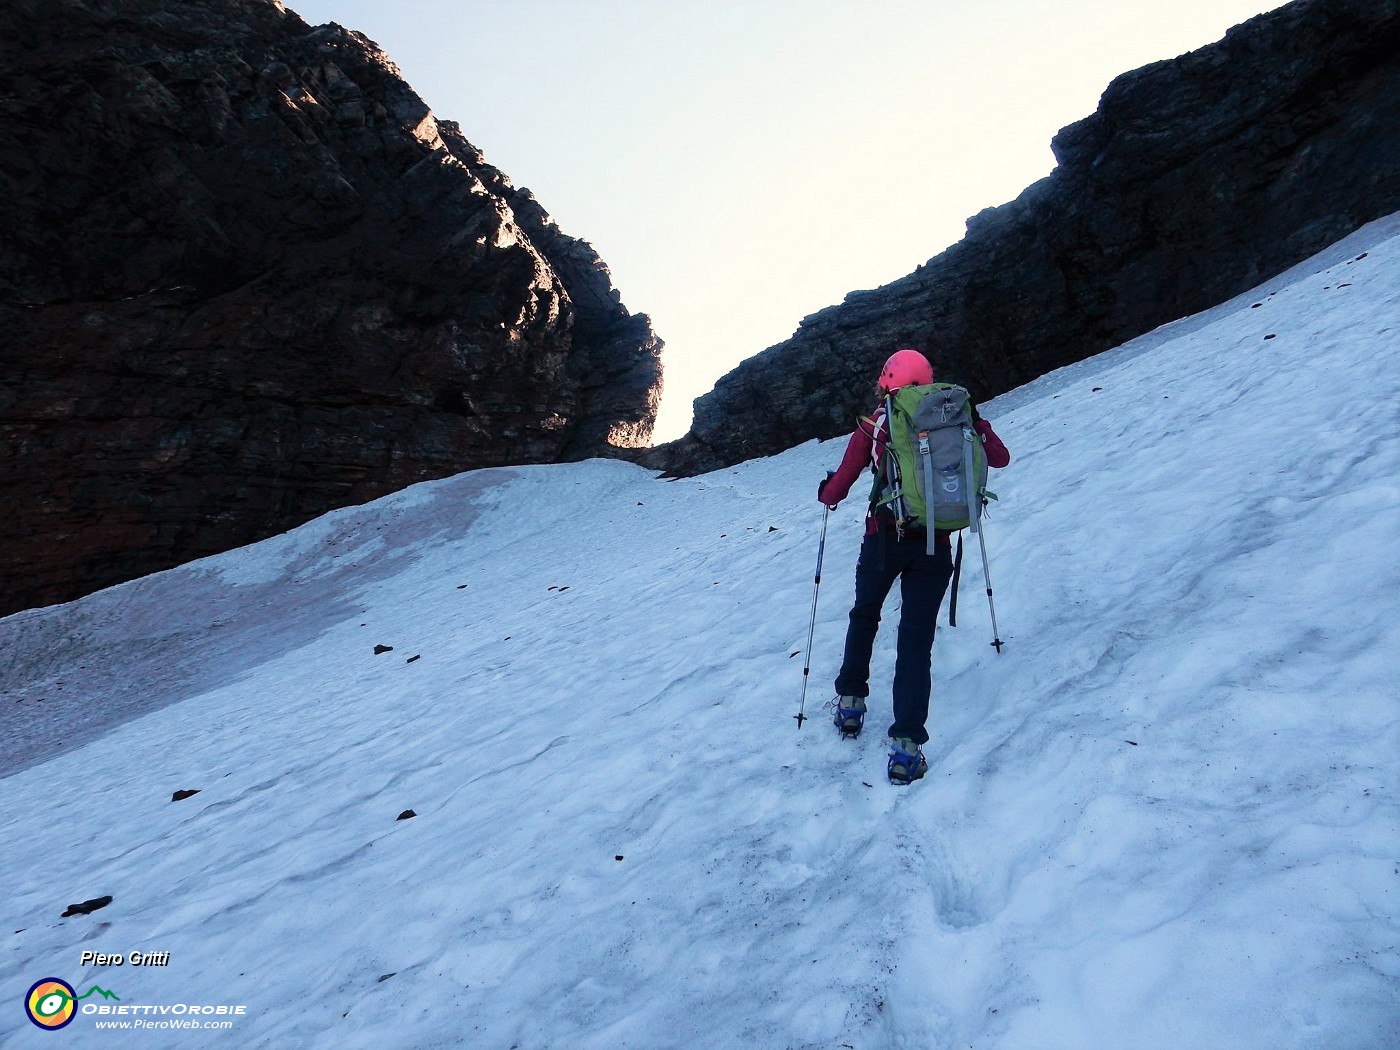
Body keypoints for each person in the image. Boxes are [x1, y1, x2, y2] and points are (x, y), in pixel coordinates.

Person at [816, 348, 1011, 783]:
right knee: (916, 639)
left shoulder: (877, 422)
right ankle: (906, 747)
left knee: (865, 615)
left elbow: (841, 485)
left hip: (884, 538)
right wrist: (976, 424)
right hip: (934, 542)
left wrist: (826, 492)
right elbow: (999, 459)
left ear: (887, 381)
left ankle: (850, 704)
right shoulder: (956, 413)